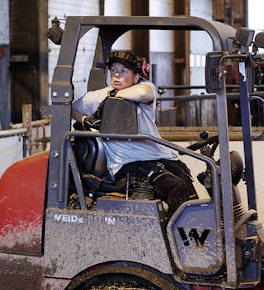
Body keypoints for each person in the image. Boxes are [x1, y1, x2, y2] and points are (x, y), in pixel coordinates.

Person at [72, 51, 197, 214]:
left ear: (136, 76)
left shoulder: (144, 88)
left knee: (191, 198)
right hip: (130, 164)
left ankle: (194, 234)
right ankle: (177, 238)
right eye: (114, 70)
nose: (117, 75)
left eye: (123, 71)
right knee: (176, 186)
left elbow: (143, 93)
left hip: (162, 157)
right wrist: (84, 119)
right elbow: (72, 108)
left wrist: (112, 96)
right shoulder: (99, 95)